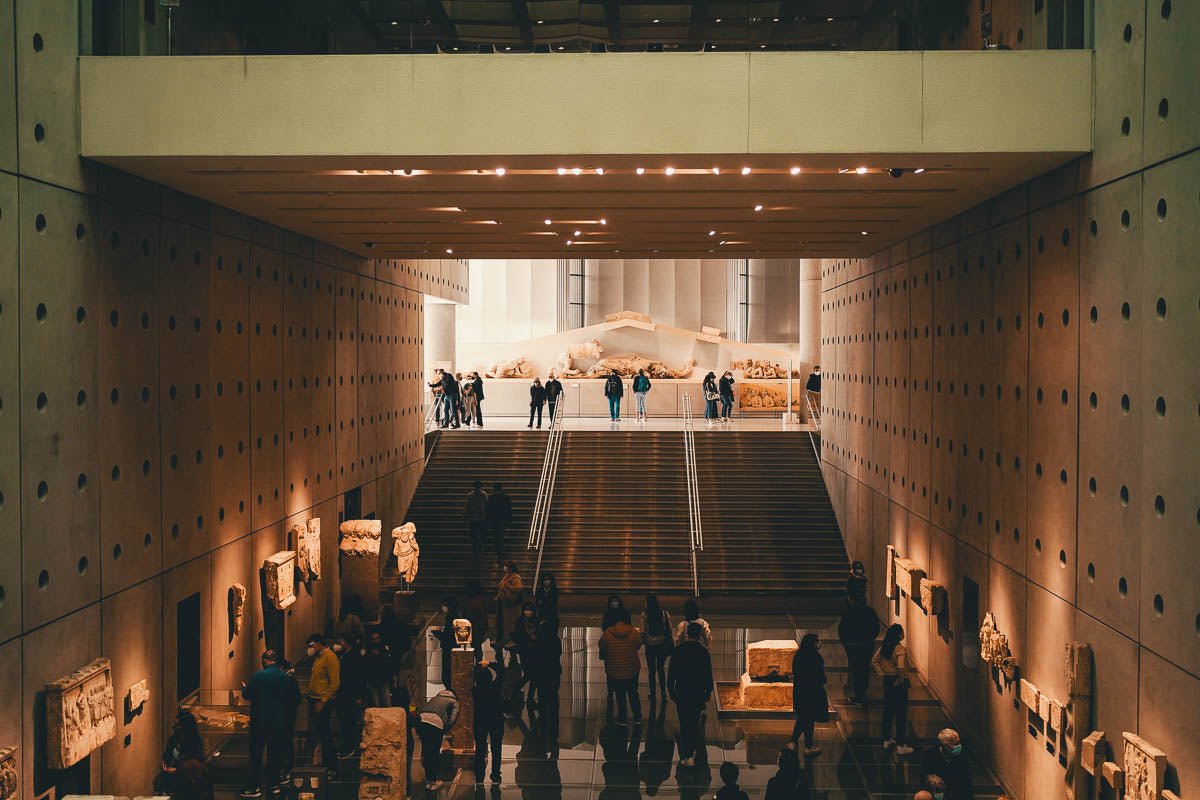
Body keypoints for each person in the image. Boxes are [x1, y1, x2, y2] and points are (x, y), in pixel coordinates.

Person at [241, 650, 301, 797]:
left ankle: (254, 787)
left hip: (259, 722)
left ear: (265, 661)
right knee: (276, 755)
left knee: (256, 755)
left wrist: (244, 688)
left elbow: (247, 694)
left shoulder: (259, 676)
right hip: (279, 722)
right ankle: (274, 784)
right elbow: (295, 699)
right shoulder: (286, 678)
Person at [667, 622, 713, 767]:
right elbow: (707, 675)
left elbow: (672, 673)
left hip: (682, 691)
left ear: (687, 634)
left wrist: (672, 691)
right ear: (699, 635)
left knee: (684, 723)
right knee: (693, 723)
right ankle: (690, 753)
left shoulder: (679, 650)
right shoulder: (703, 652)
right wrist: (707, 692)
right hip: (697, 692)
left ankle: (686, 754)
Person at [872, 623, 914, 755]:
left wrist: (882, 674)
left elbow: (874, 661)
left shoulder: (885, 647)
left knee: (888, 711)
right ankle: (901, 745)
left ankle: (886, 739)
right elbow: (901, 666)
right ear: (898, 635)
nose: (903, 633)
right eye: (902, 631)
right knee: (901, 713)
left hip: (887, 681)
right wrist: (901, 679)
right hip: (897, 681)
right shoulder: (899, 648)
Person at [304, 633, 341, 778]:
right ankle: (320, 761)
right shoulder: (317, 657)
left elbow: (335, 683)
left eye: (311, 646)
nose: (309, 649)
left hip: (322, 702)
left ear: (318, 644)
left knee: (325, 735)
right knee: (318, 734)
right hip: (314, 699)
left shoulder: (330, 658)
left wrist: (322, 701)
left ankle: (332, 766)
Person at [599, 608, 643, 724]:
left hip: (615, 669)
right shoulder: (634, 632)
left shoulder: (608, 633)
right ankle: (637, 716)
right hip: (632, 668)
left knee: (620, 694)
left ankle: (622, 716)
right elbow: (638, 645)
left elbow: (602, 646)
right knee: (633, 692)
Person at [789, 633, 829, 757]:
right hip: (813, 693)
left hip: (800, 691)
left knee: (804, 718)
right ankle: (805, 746)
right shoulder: (815, 658)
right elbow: (822, 678)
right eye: (817, 641)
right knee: (808, 719)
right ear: (813, 644)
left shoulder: (798, 656)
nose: (819, 643)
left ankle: (795, 742)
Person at [838, 594, 880, 705]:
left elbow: (842, 629)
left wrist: (845, 642)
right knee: (865, 667)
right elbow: (876, 628)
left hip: (852, 645)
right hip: (867, 644)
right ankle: (863, 689)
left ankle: (859, 694)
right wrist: (870, 638)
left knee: (856, 668)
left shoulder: (849, 613)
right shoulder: (870, 612)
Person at [416, 688, 459, 790]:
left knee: (426, 751)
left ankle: (427, 780)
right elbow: (452, 718)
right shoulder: (454, 702)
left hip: (421, 721)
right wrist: (444, 729)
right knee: (434, 753)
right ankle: (433, 782)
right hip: (436, 724)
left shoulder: (434, 698)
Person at [334, 635, 367, 759]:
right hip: (344, 694)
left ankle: (350, 747)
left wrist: (359, 696)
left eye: (340, 641)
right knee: (345, 722)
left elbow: (360, 677)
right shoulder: (343, 656)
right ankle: (348, 746)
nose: (338, 644)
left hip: (351, 694)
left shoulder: (355, 657)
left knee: (350, 722)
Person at [473, 660, 506, 785]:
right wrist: (489, 663)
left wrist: (478, 665)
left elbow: (471, 673)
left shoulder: (475, 691)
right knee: (496, 748)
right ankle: (495, 775)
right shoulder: (495, 687)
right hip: (496, 720)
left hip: (480, 721)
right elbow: (502, 672)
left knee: (480, 749)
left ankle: (479, 776)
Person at [159, 710, 206, 796]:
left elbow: (195, 767)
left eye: (177, 725)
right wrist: (163, 764)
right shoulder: (173, 739)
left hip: (188, 785)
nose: (173, 726)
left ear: (185, 727)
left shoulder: (194, 742)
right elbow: (166, 756)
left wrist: (176, 771)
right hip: (172, 782)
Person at [530, 618, 563, 739]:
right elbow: (558, 653)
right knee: (553, 696)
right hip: (553, 671)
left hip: (542, 673)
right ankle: (554, 723)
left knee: (543, 697)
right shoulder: (556, 640)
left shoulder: (538, 642)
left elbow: (535, 657)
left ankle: (543, 720)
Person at [921, 729, 973, 800]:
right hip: (936, 792)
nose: (957, 746)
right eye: (954, 744)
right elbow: (923, 778)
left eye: (958, 743)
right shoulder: (930, 756)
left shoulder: (962, 757)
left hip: (956, 793)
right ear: (944, 746)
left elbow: (967, 785)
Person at [640, 594, 673, 699]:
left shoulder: (644, 615)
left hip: (650, 646)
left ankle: (652, 692)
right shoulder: (664, 613)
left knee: (651, 670)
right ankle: (663, 692)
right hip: (662, 645)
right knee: (660, 668)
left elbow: (642, 631)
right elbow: (670, 628)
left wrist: (642, 640)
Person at [429, 596, 460, 689]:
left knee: (447, 674)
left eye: (444, 605)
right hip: (453, 646)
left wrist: (436, 633)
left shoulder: (450, 617)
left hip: (448, 648)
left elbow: (447, 636)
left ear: (448, 607)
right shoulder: (456, 616)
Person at [362, 630, 393, 708]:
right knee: (376, 706)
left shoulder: (385, 650)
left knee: (387, 705)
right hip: (372, 682)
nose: (376, 641)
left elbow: (388, 665)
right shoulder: (365, 653)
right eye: (373, 639)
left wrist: (392, 677)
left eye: (377, 638)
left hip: (384, 681)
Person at [496, 560, 525, 642]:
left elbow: (518, 588)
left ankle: (512, 638)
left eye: (507, 566)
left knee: (511, 622)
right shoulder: (507, 575)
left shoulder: (515, 577)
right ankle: (503, 638)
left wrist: (509, 586)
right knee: (503, 620)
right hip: (504, 601)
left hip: (511, 604)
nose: (505, 568)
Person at [462, 579, 490, 659]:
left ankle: (478, 662)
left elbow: (467, 614)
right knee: (477, 646)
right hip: (480, 626)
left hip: (474, 626)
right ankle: (479, 662)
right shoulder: (481, 599)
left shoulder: (469, 600)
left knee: (475, 646)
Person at [487, 483, 513, 563]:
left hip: (494, 520)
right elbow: (509, 509)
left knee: (496, 536)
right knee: (500, 536)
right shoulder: (506, 498)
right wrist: (509, 520)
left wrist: (488, 520)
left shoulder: (491, 498)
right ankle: (500, 551)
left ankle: (498, 551)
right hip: (502, 520)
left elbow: (488, 510)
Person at [464, 480, 489, 553]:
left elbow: (467, 507)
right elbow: (487, 505)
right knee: (479, 534)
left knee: (475, 534)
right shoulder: (484, 494)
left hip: (475, 518)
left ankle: (476, 547)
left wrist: (465, 517)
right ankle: (479, 547)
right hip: (480, 518)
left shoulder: (470, 495)